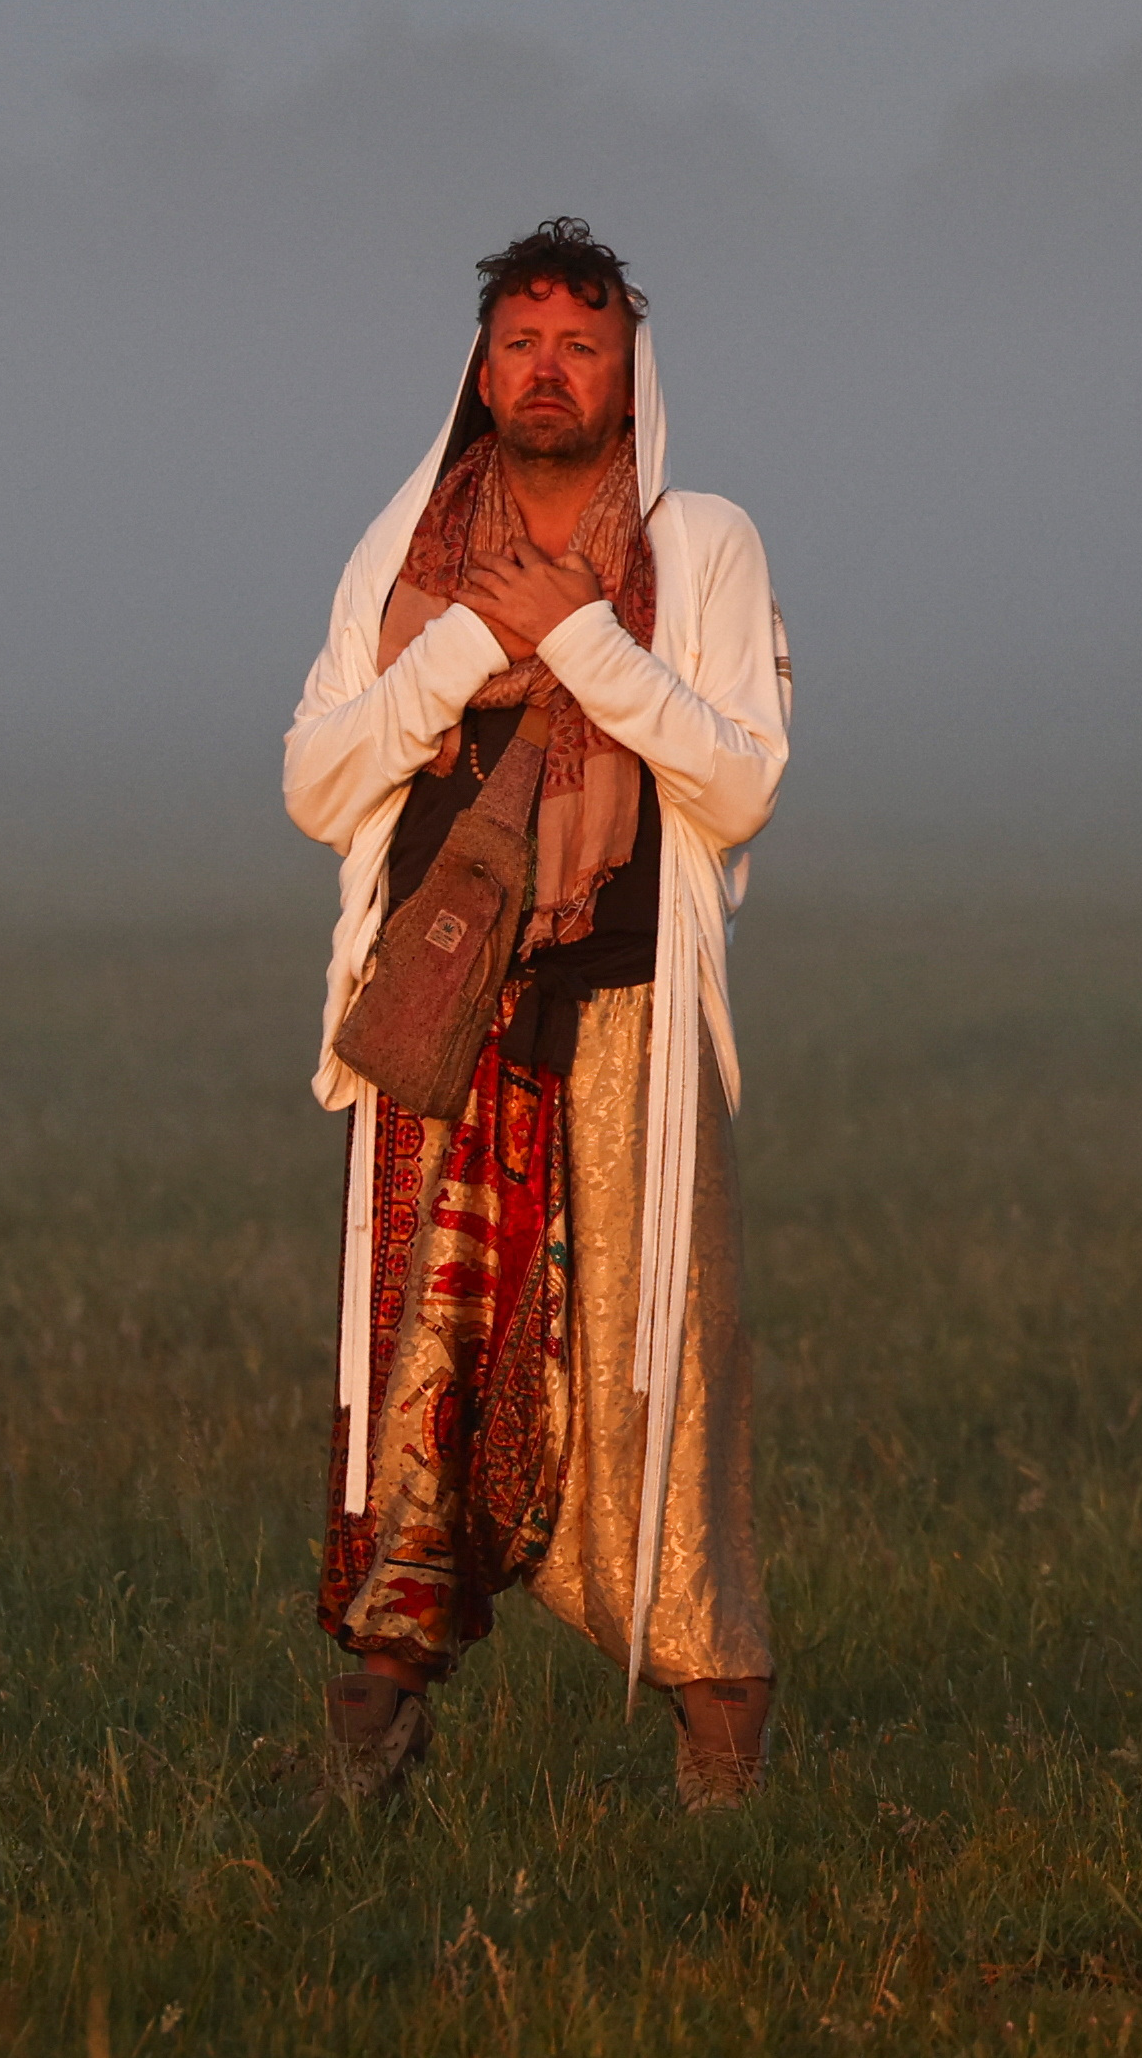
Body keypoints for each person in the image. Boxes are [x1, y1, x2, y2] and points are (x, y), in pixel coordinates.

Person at [286, 218, 794, 1810]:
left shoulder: (698, 542)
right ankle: (378, 1732)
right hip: (436, 1023)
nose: (546, 368)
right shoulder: (404, 549)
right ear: (478, 368)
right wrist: (465, 642)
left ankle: (718, 1754)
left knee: (651, 1377)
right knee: (416, 1385)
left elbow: (738, 779)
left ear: (630, 369)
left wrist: (575, 632)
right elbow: (315, 783)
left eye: (579, 341)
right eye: (518, 341)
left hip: (626, 1010)